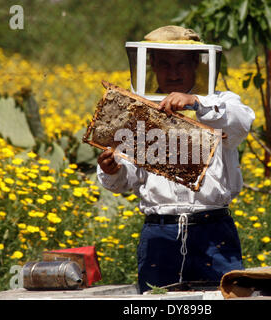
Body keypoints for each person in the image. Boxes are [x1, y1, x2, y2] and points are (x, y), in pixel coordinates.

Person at [97, 26, 255, 293]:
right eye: (164, 64)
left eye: (181, 63)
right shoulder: (138, 110)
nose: (173, 72)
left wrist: (196, 103)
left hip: (213, 231)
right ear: (152, 66)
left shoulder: (221, 103)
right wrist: (112, 169)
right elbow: (126, 178)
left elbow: (241, 123)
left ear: (197, 64)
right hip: (160, 235)